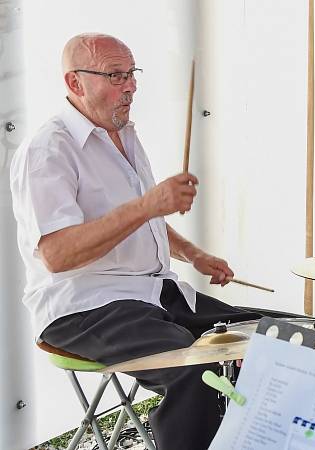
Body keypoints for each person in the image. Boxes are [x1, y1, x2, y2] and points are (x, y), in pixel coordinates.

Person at [10, 33, 261, 450]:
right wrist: (148, 205)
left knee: (277, 340)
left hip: (153, 294)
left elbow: (133, 220)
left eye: (131, 74)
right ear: (75, 83)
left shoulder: (123, 133)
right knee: (199, 372)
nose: (130, 86)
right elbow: (57, 255)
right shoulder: (48, 150)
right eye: (115, 75)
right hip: (86, 306)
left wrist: (193, 254)